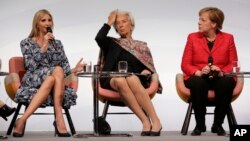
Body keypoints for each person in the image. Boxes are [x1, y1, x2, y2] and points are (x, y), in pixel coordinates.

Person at [12, 9, 84, 137]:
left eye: (49, 20)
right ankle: (59, 117)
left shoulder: (57, 44)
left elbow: (64, 69)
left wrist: (75, 69)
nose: (47, 23)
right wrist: (44, 45)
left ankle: (21, 120)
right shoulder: (26, 42)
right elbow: (31, 66)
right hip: (33, 78)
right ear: (37, 24)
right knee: (56, 70)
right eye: (43, 20)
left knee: (52, 78)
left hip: (53, 78)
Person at [95, 10, 162, 136]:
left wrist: (145, 70)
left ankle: (156, 120)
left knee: (131, 78)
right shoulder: (111, 43)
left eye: (124, 22)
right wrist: (109, 22)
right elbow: (99, 37)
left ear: (131, 24)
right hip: (111, 78)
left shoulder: (142, 46)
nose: (120, 25)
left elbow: (149, 67)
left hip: (135, 79)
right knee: (120, 79)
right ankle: (145, 120)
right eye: (117, 23)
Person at [181, 7, 238, 136]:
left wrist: (221, 71)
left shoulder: (228, 38)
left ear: (214, 24)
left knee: (226, 82)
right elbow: (185, 64)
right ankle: (199, 125)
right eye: (199, 19)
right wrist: (198, 72)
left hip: (220, 77)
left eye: (203, 20)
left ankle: (217, 125)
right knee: (197, 82)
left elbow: (234, 64)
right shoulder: (192, 37)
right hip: (199, 76)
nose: (199, 22)